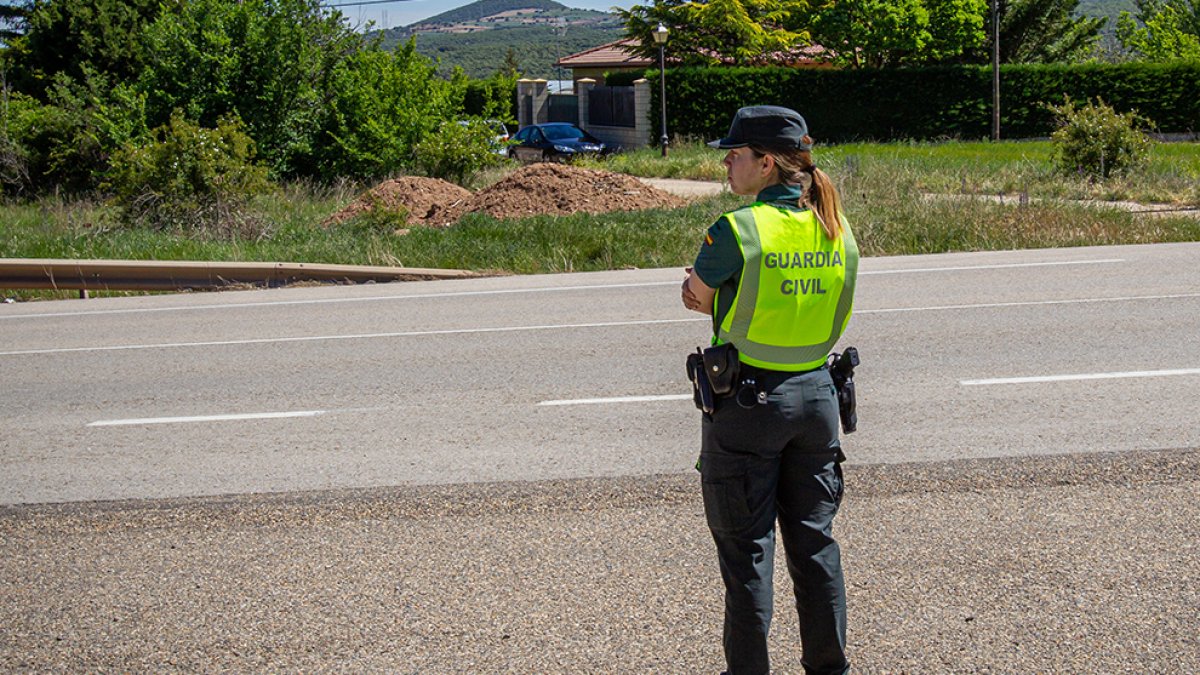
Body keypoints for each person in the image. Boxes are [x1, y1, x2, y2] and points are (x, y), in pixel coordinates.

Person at [680, 105, 859, 675]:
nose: (728, 163)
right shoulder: (835, 226)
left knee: (748, 560)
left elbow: (698, 295)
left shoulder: (738, 229)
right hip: (818, 400)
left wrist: (699, 289)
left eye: (735, 154)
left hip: (750, 406)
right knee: (815, 549)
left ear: (767, 163)